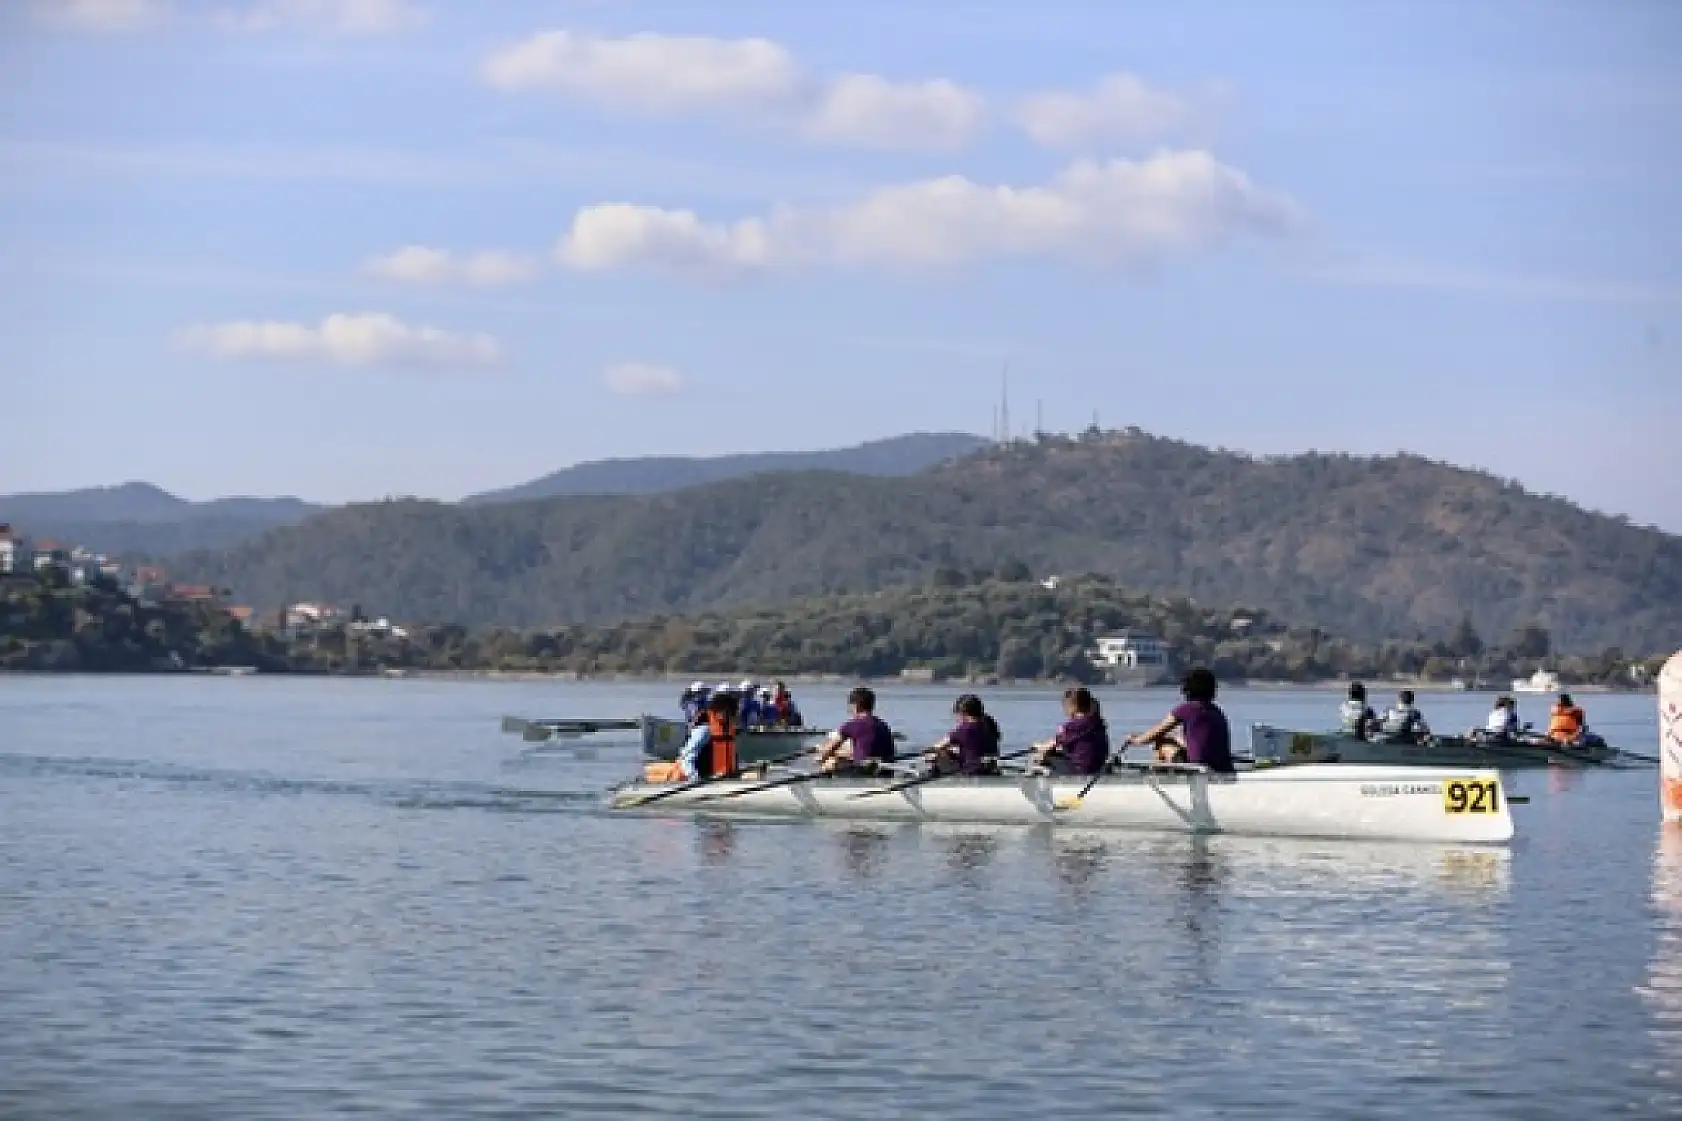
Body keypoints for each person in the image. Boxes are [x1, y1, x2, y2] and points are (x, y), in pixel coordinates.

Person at [1125, 667, 1236, 773]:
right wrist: (1174, 739)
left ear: (1187, 690)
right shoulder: (1217, 711)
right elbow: (1200, 741)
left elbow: (1157, 731)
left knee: (1162, 744)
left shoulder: (1186, 709)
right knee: (1171, 740)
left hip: (1200, 768)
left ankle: (1161, 779)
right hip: (1224, 767)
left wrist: (1135, 740)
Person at [815, 686, 896, 775]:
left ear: (855, 705)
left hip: (864, 773)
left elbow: (828, 750)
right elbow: (867, 751)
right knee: (841, 757)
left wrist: (821, 757)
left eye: (850, 706)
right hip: (885, 771)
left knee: (831, 762)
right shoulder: (883, 724)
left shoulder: (852, 725)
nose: (849, 710)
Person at [1033, 687, 1111, 776]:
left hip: (1082, 770)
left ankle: (1034, 782)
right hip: (1099, 767)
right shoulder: (1097, 722)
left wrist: (1038, 747)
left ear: (1072, 707)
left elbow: (1049, 745)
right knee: (1055, 753)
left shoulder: (1074, 726)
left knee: (1043, 756)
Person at [926, 694, 1003, 776]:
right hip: (990, 769)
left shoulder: (964, 729)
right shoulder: (989, 723)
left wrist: (929, 752)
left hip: (971, 771)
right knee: (949, 753)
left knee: (938, 754)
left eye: (957, 714)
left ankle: (934, 778)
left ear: (963, 713)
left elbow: (937, 747)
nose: (957, 718)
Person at [676, 691, 739, 781]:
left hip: (721, 780)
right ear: (722, 712)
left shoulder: (728, 731)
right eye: (733, 713)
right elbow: (686, 759)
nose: (735, 717)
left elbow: (733, 758)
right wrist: (695, 778)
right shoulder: (705, 730)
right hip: (699, 780)